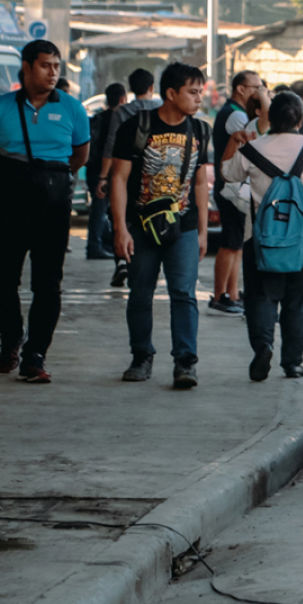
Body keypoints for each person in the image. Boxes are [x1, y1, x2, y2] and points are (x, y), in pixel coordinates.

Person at [0, 40, 90, 383]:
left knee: (48, 284)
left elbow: (79, 156)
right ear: (26, 68)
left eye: (57, 66)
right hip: (9, 204)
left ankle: (35, 355)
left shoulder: (72, 108)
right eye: (45, 65)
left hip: (53, 208)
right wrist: (19, 181)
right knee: (0, 283)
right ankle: (12, 336)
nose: (53, 72)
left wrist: (47, 181)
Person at [221, 91, 303, 381]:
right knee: (298, 300)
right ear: (300, 120)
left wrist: (235, 140)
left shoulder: (253, 149)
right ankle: (293, 363)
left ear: (269, 117)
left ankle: (263, 345)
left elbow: (227, 174)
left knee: (261, 297)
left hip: (261, 239)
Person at [110, 63, 211, 389]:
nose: (199, 99)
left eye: (201, 92)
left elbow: (200, 184)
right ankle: (141, 357)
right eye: (193, 92)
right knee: (140, 293)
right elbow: (119, 179)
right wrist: (120, 229)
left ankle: (185, 362)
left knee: (184, 293)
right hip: (141, 227)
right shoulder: (135, 126)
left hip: (183, 227)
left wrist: (203, 230)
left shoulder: (201, 130)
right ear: (171, 93)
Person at [99, 69, 162, 285]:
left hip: (127, 172)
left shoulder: (122, 111)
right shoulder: (160, 109)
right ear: (152, 88)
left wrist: (103, 177)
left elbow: (111, 146)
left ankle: (123, 261)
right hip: (155, 173)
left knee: (123, 216)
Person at [212, 71, 265, 317]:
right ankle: (220, 295)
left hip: (234, 187)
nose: (260, 91)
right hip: (231, 187)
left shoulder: (234, 112)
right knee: (230, 243)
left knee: (236, 244)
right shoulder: (236, 115)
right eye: (256, 87)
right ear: (241, 89)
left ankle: (232, 294)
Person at [84, 83, 126, 259]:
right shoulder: (118, 119)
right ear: (123, 99)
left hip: (92, 169)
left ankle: (103, 243)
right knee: (101, 209)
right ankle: (94, 246)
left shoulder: (97, 118)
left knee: (101, 208)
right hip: (106, 172)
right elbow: (112, 148)